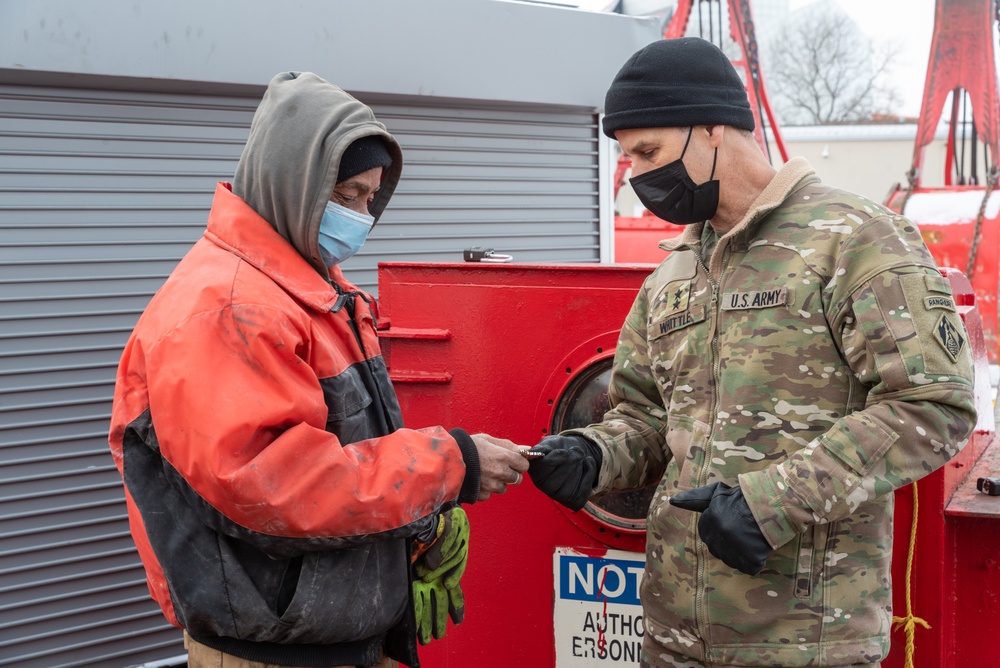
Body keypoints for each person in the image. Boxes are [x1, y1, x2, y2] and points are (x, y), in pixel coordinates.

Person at [526, 38, 977, 668]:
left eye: (647, 152)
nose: (636, 177)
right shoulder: (674, 274)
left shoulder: (854, 240)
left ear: (713, 129)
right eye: (627, 159)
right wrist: (595, 453)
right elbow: (649, 418)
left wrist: (773, 501)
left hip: (805, 640)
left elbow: (934, 404)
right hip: (673, 636)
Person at [108, 72, 529, 668]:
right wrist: (447, 467)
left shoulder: (312, 291)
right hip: (271, 653)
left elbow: (351, 453)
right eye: (346, 195)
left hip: (332, 640)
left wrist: (420, 528)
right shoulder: (231, 309)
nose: (361, 216)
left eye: (368, 199)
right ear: (293, 181)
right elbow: (273, 487)